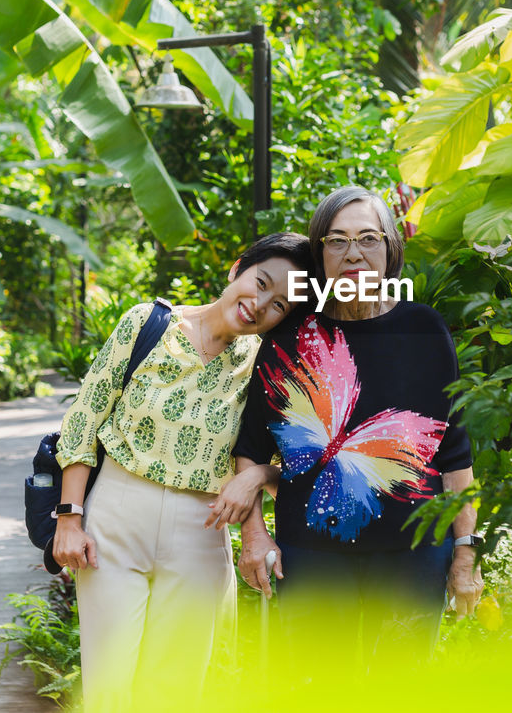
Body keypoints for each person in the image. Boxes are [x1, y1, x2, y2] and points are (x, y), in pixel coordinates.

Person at [51, 232, 312, 711]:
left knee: (174, 694)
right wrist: (69, 517)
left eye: (278, 305)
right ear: (237, 269)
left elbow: (298, 460)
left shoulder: (265, 368)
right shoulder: (147, 324)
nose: (260, 304)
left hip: (201, 528)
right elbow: (84, 419)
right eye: (261, 283)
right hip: (117, 515)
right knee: (108, 689)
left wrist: (258, 477)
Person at [232, 186, 484, 662]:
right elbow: (250, 446)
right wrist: (254, 534)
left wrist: (465, 554)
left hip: (416, 554)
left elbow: (455, 454)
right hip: (311, 558)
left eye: (368, 238)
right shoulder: (290, 336)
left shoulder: (424, 329)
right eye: (336, 240)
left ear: (391, 249)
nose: (353, 254)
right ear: (319, 252)